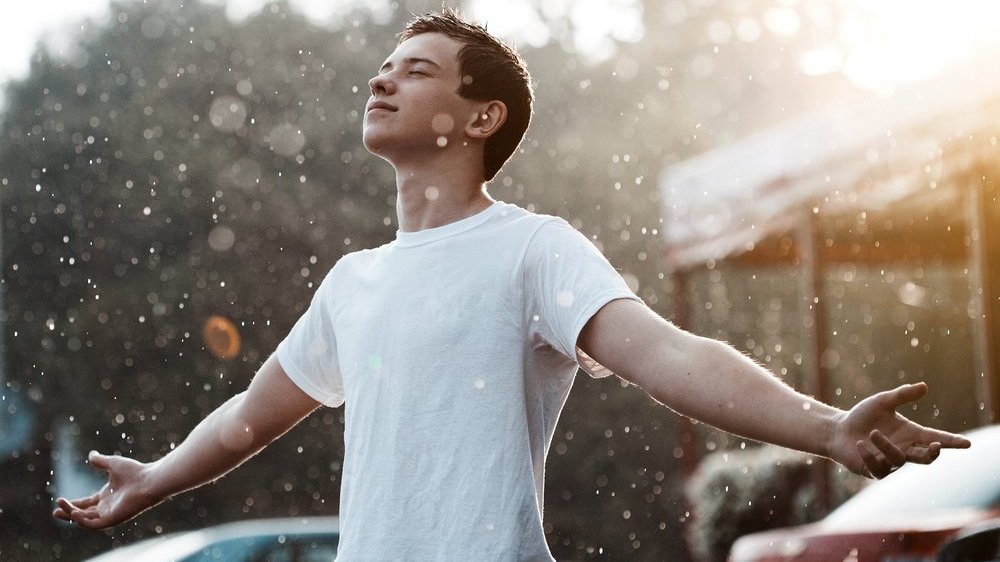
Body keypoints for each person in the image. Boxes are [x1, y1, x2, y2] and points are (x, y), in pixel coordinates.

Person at [54, 8, 971, 561]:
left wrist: (823, 427)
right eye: (381, 68)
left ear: (480, 115)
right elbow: (247, 418)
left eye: (416, 71)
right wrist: (155, 481)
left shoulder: (533, 249)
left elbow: (669, 356)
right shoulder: (353, 283)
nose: (382, 81)